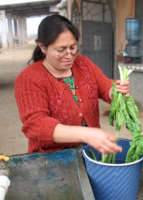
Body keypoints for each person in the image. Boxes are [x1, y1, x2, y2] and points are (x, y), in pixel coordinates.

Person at [14, 14, 129, 154]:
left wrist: (115, 90)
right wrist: (85, 134)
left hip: (89, 151)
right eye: (61, 50)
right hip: (51, 157)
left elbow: (105, 87)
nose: (69, 55)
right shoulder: (29, 78)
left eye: (73, 47)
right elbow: (36, 124)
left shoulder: (83, 64)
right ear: (43, 47)